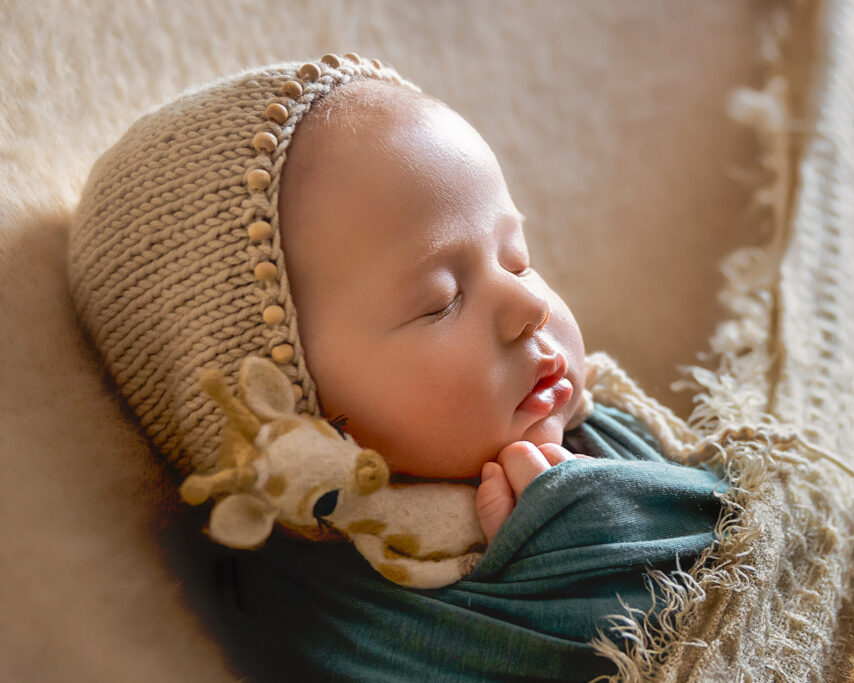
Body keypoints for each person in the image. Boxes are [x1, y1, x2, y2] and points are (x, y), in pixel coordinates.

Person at [68, 54, 724, 681]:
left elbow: (755, 535)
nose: (528, 304)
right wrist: (587, 552)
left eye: (517, 258)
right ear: (300, 416)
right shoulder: (336, 609)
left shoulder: (600, 423)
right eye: (441, 302)